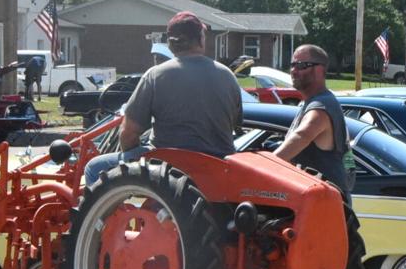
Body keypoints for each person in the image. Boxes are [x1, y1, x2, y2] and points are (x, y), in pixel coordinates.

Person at [82, 11, 241, 186]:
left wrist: (134, 173)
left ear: (171, 46)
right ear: (201, 40)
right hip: (218, 166)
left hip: (169, 169)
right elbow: (235, 124)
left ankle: (105, 213)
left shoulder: (155, 76)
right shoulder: (228, 76)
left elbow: (128, 134)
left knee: (94, 167)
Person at [274, 44, 353, 204]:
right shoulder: (311, 103)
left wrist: (265, 165)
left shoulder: (321, 107)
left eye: (301, 65)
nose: (293, 71)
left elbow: (302, 135)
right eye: (292, 65)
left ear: (319, 70)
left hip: (326, 206)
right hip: (317, 203)